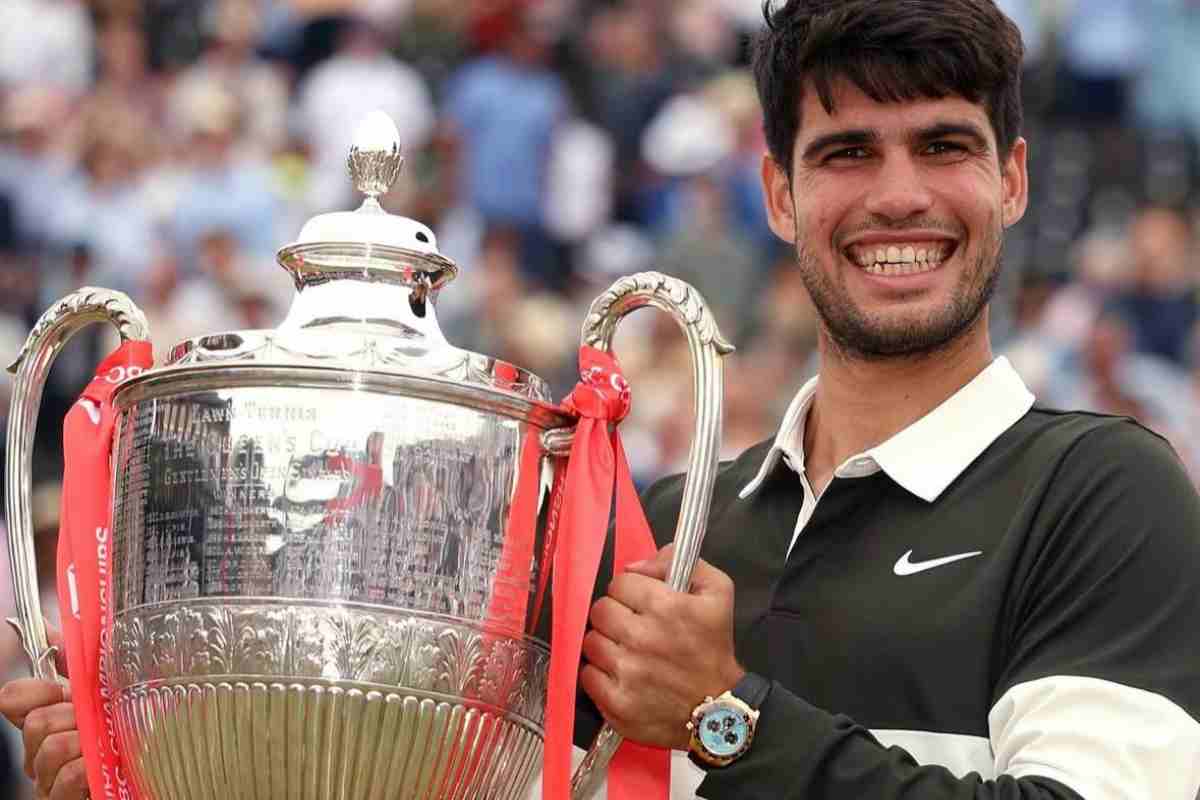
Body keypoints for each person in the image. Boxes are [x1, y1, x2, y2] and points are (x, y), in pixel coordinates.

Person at [568, 1, 1200, 799]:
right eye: (848, 152)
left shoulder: (1105, 495)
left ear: (1012, 181)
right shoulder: (664, 525)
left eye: (943, 146)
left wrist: (723, 717)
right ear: (779, 194)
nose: (900, 196)